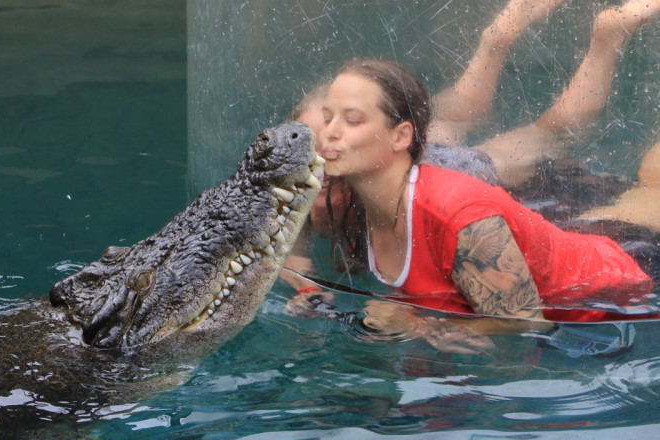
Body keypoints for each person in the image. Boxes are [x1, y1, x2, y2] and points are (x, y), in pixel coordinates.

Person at [282, 0, 660, 354]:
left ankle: (602, 35)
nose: (326, 137)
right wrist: (311, 289)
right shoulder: (346, 187)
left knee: (648, 191)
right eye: (326, 120)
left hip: (623, 273)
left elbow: (523, 323)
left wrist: (415, 323)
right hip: (554, 247)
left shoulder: (456, 209)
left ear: (400, 137)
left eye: (349, 120)